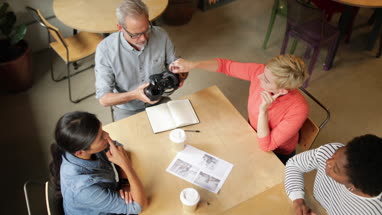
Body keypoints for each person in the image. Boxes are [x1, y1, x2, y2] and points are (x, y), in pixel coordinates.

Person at [170, 55, 308, 164]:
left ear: (282, 91)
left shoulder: (298, 109)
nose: (259, 76)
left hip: (277, 154)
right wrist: (193, 65)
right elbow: (225, 66)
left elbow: (267, 145)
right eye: (264, 71)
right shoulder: (262, 72)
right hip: (251, 134)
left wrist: (263, 112)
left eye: (266, 80)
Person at [95, 0, 185, 121]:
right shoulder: (105, 50)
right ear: (120, 28)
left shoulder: (161, 35)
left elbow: (175, 64)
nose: (143, 38)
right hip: (127, 109)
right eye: (136, 35)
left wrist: (181, 73)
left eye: (146, 30)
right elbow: (104, 99)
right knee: (127, 140)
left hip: (158, 101)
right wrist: (134, 94)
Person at [49, 111, 147, 215]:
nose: (107, 135)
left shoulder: (76, 145)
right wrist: (126, 166)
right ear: (80, 152)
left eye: (102, 130)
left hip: (109, 195)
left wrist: (125, 183)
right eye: (101, 137)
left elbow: (117, 148)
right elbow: (138, 207)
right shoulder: (83, 190)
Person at [285, 134, 382, 215]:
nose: (328, 161)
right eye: (335, 154)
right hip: (316, 204)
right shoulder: (330, 151)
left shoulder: (372, 211)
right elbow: (294, 164)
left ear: (353, 186)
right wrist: (298, 200)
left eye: (335, 169)